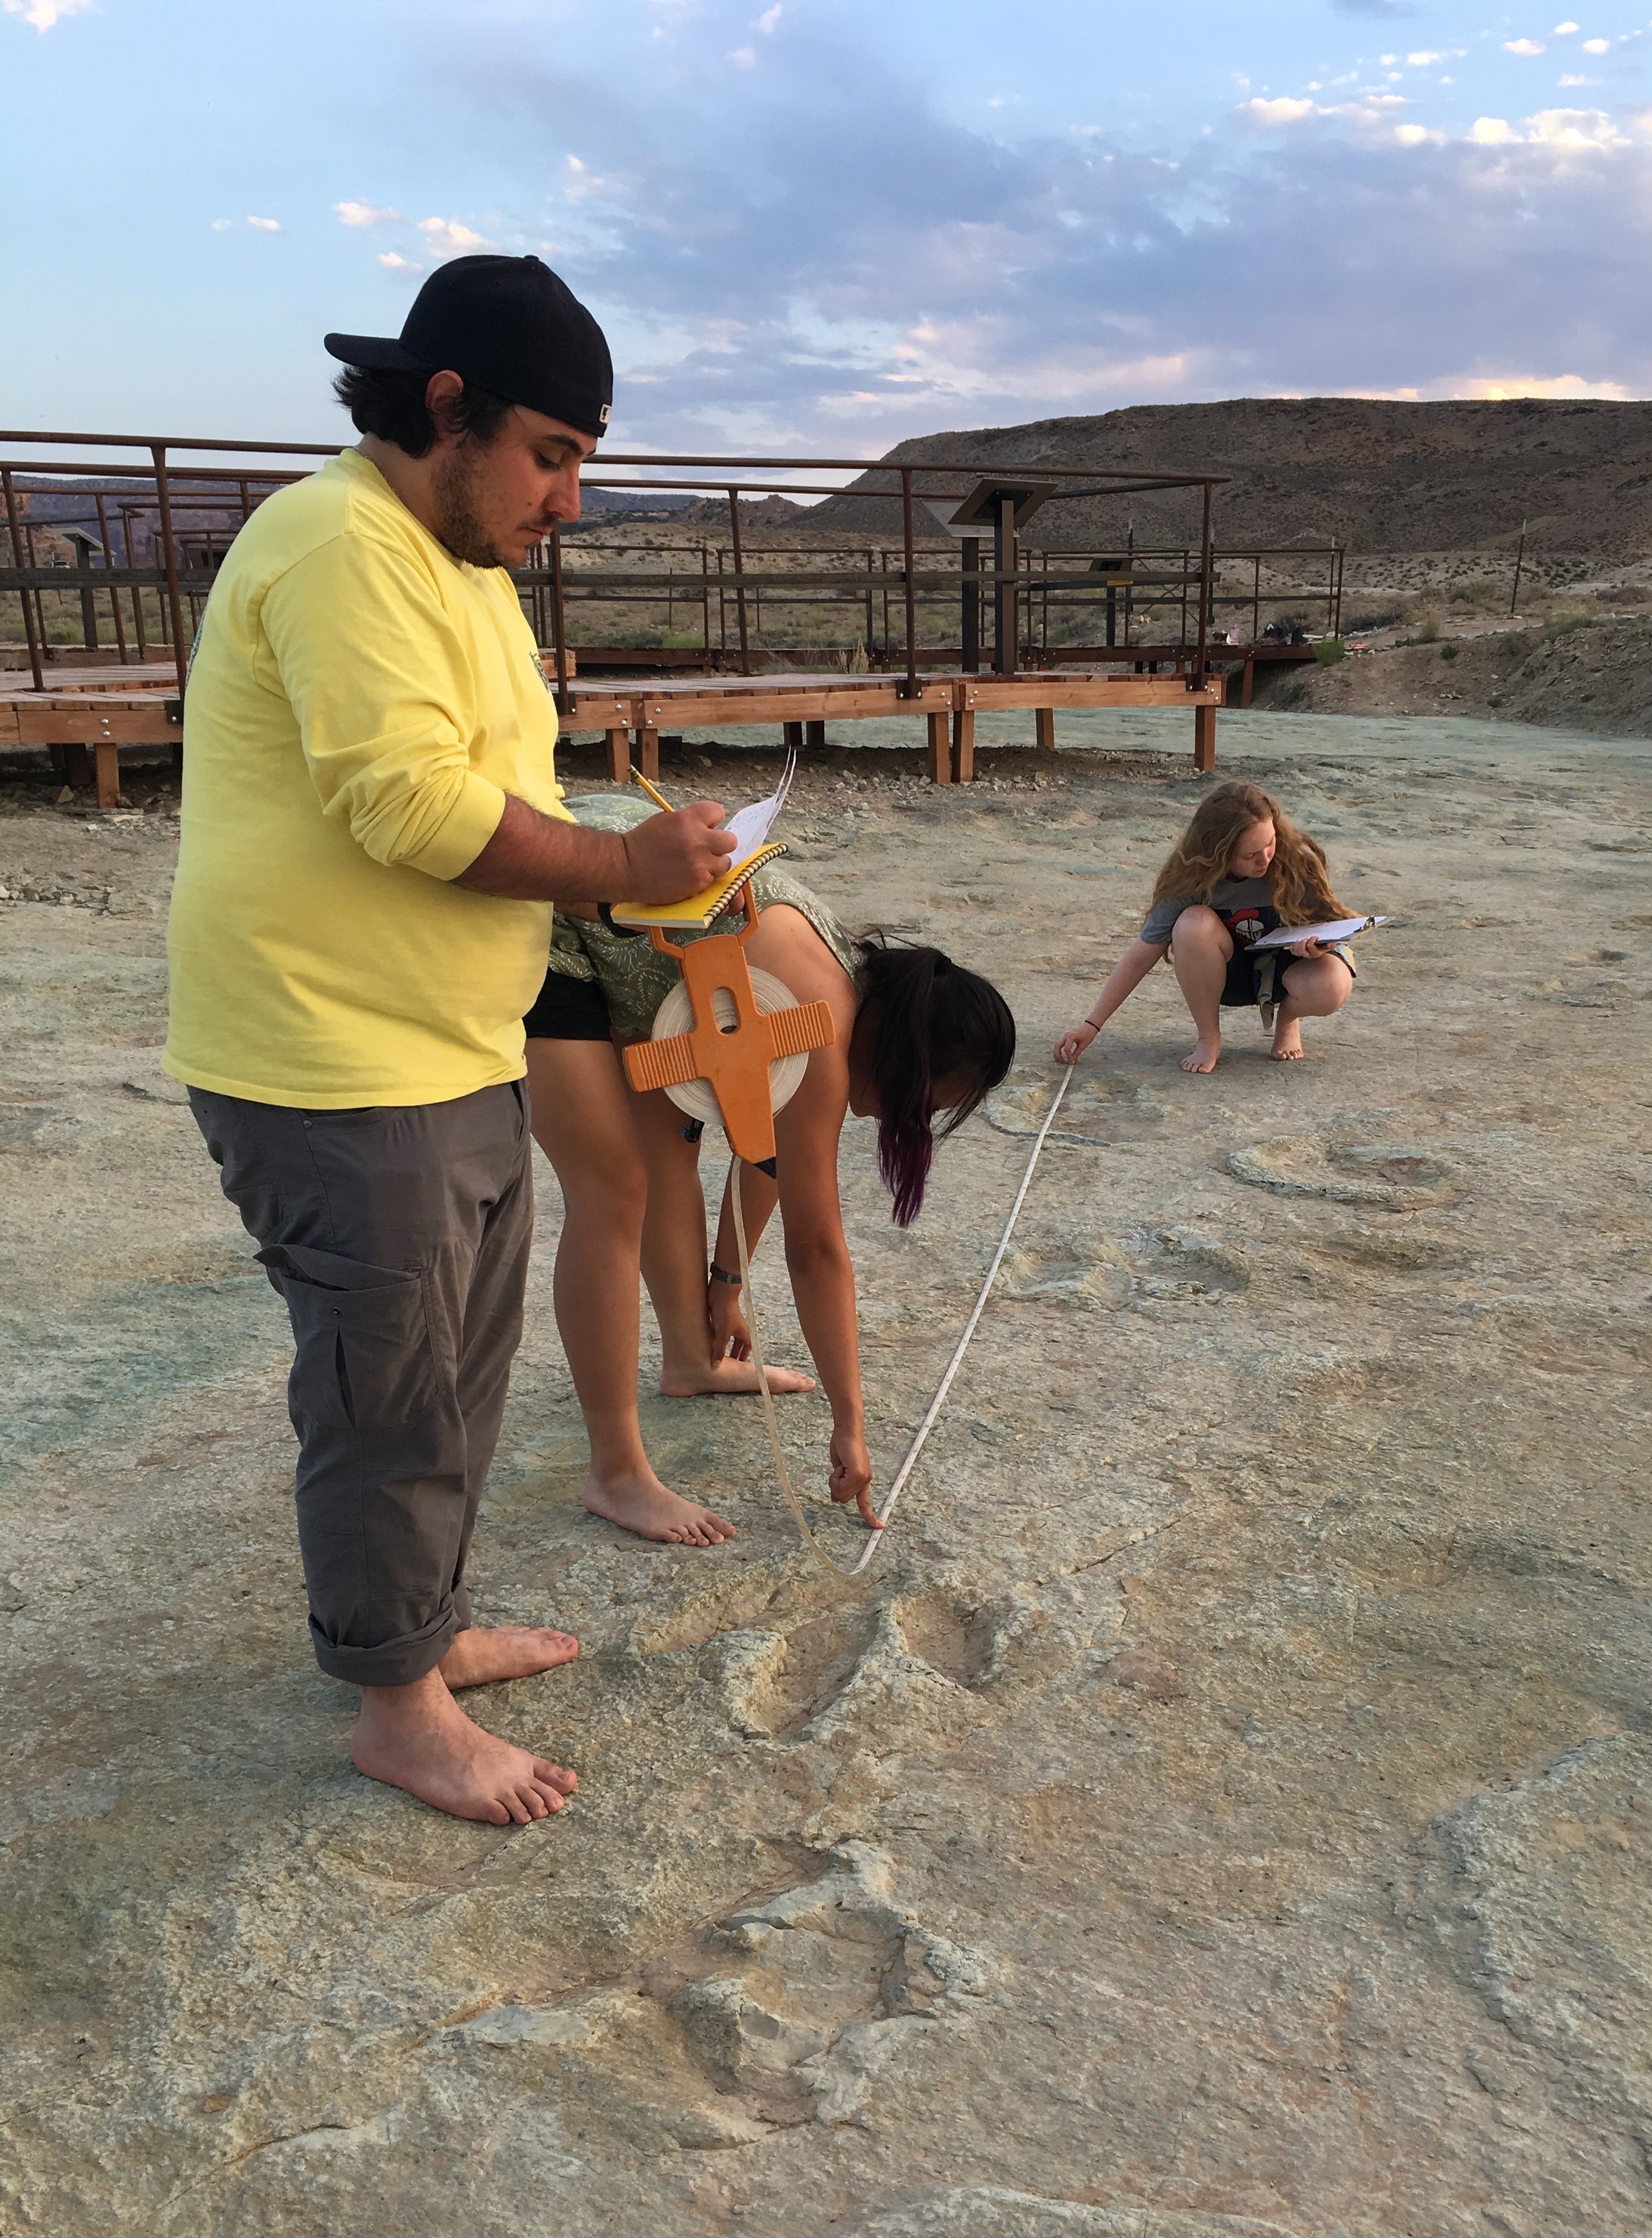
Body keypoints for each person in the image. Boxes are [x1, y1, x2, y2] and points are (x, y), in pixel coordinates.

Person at [163, 255, 740, 1828]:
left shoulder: (466, 573)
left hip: (448, 1045)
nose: (566, 497)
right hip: (327, 1058)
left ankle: (418, 1634)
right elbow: (408, 807)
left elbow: (506, 794)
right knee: (385, 1390)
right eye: (550, 453)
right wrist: (619, 870)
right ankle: (396, 1711)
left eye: (579, 465)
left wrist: (637, 866)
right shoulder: (340, 544)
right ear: (448, 406)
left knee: (454, 1371)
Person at [523, 826, 1015, 1543]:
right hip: (553, 920)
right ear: (915, 1058)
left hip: (623, 941)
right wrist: (850, 1425)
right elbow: (816, 1250)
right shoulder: (820, 1032)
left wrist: (726, 1283)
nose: (921, 1118)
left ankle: (691, 1359)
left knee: (665, 1152)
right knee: (613, 1190)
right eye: (933, 1102)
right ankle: (617, 1473)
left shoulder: (846, 983)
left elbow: (767, 1152)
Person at [1054, 779, 1355, 1075]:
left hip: (1288, 970)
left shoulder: (1295, 864)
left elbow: (1333, 923)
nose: (1264, 860)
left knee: (1334, 982)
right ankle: (1209, 1037)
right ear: (1218, 853)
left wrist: (1321, 945)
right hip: (1225, 976)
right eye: (1249, 855)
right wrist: (1092, 1024)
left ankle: (1288, 1018)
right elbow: (1140, 956)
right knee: (1192, 923)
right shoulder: (1192, 879)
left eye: (1270, 843)